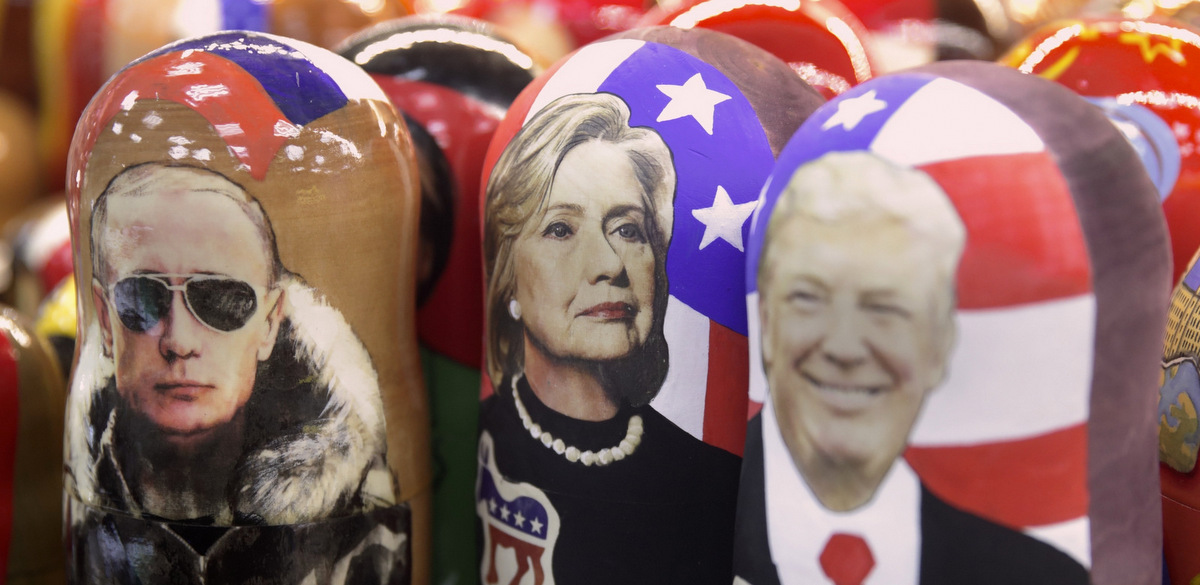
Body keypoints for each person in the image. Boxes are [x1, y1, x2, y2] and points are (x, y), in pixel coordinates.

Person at [733, 151, 1088, 585]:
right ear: (766, 321)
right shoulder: (681, 503)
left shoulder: (1034, 571)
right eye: (809, 298)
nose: (844, 348)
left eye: (884, 309)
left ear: (940, 347)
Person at [67, 162, 407, 584]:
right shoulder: (82, 515)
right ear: (104, 317)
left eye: (220, 301)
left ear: (270, 324)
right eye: (143, 298)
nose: (179, 341)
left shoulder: (365, 535)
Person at [477, 92, 741, 584]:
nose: (609, 264)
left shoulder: (717, 476)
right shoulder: (482, 438)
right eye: (560, 229)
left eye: (627, 229)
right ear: (507, 272)